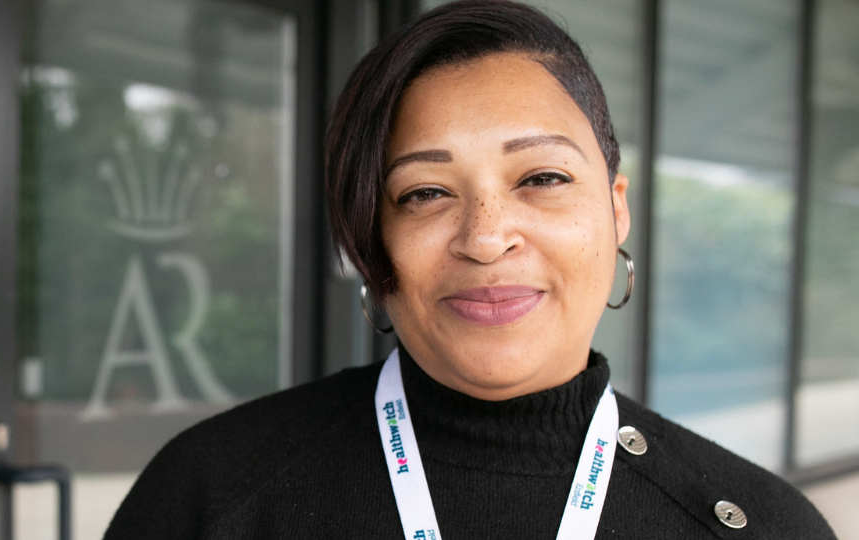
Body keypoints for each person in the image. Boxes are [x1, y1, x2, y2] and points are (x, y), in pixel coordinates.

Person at [102, 1, 837, 538]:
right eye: (424, 193)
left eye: (541, 178)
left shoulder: (759, 527)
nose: (486, 239)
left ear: (616, 210)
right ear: (372, 242)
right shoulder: (210, 495)